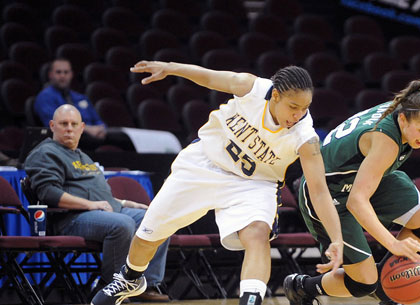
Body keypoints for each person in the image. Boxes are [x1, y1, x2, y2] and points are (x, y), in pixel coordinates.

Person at [90, 61, 344, 305]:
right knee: (148, 236)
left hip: (254, 183)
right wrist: (170, 68)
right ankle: (130, 278)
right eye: (293, 107)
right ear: (275, 96)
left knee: (258, 234)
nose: (298, 115)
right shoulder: (252, 87)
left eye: (305, 108)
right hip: (204, 164)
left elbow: (319, 191)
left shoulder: (305, 137)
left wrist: (336, 238)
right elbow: (209, 77)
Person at [282, 80, 420, 305]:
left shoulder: (413, 106)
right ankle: (301, 286)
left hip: (362, 178)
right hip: (328, 193)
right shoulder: (386, 141)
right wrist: (393, 244)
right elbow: (356, 201)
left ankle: (388, 286)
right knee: (363, 283)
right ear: (403, 119)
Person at [24, 104, 170, 302]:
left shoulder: (83, 156)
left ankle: (146, 284)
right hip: (70, 218)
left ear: (82, 127)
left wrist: (127, 202)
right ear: (52, 126)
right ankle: (111, 285)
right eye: (63, 124)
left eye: (74, 124)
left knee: (157, 220)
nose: (69, 128)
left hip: (102, 213)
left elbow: (99, 196)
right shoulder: (45, 153)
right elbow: (50, 193)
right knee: (122, 224)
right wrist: (89, 205)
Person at [34, 58, 133, 151]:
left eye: (66, 72)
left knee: (125, 139)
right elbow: (56, 125)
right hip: (69, 139)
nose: (62, 76)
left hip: (93, 135)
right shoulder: (45, 97)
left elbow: (97, 120)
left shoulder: (80, 97)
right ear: (51, 75)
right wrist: (87, 129)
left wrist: (100, 129)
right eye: (58, 72)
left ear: (71, 74)